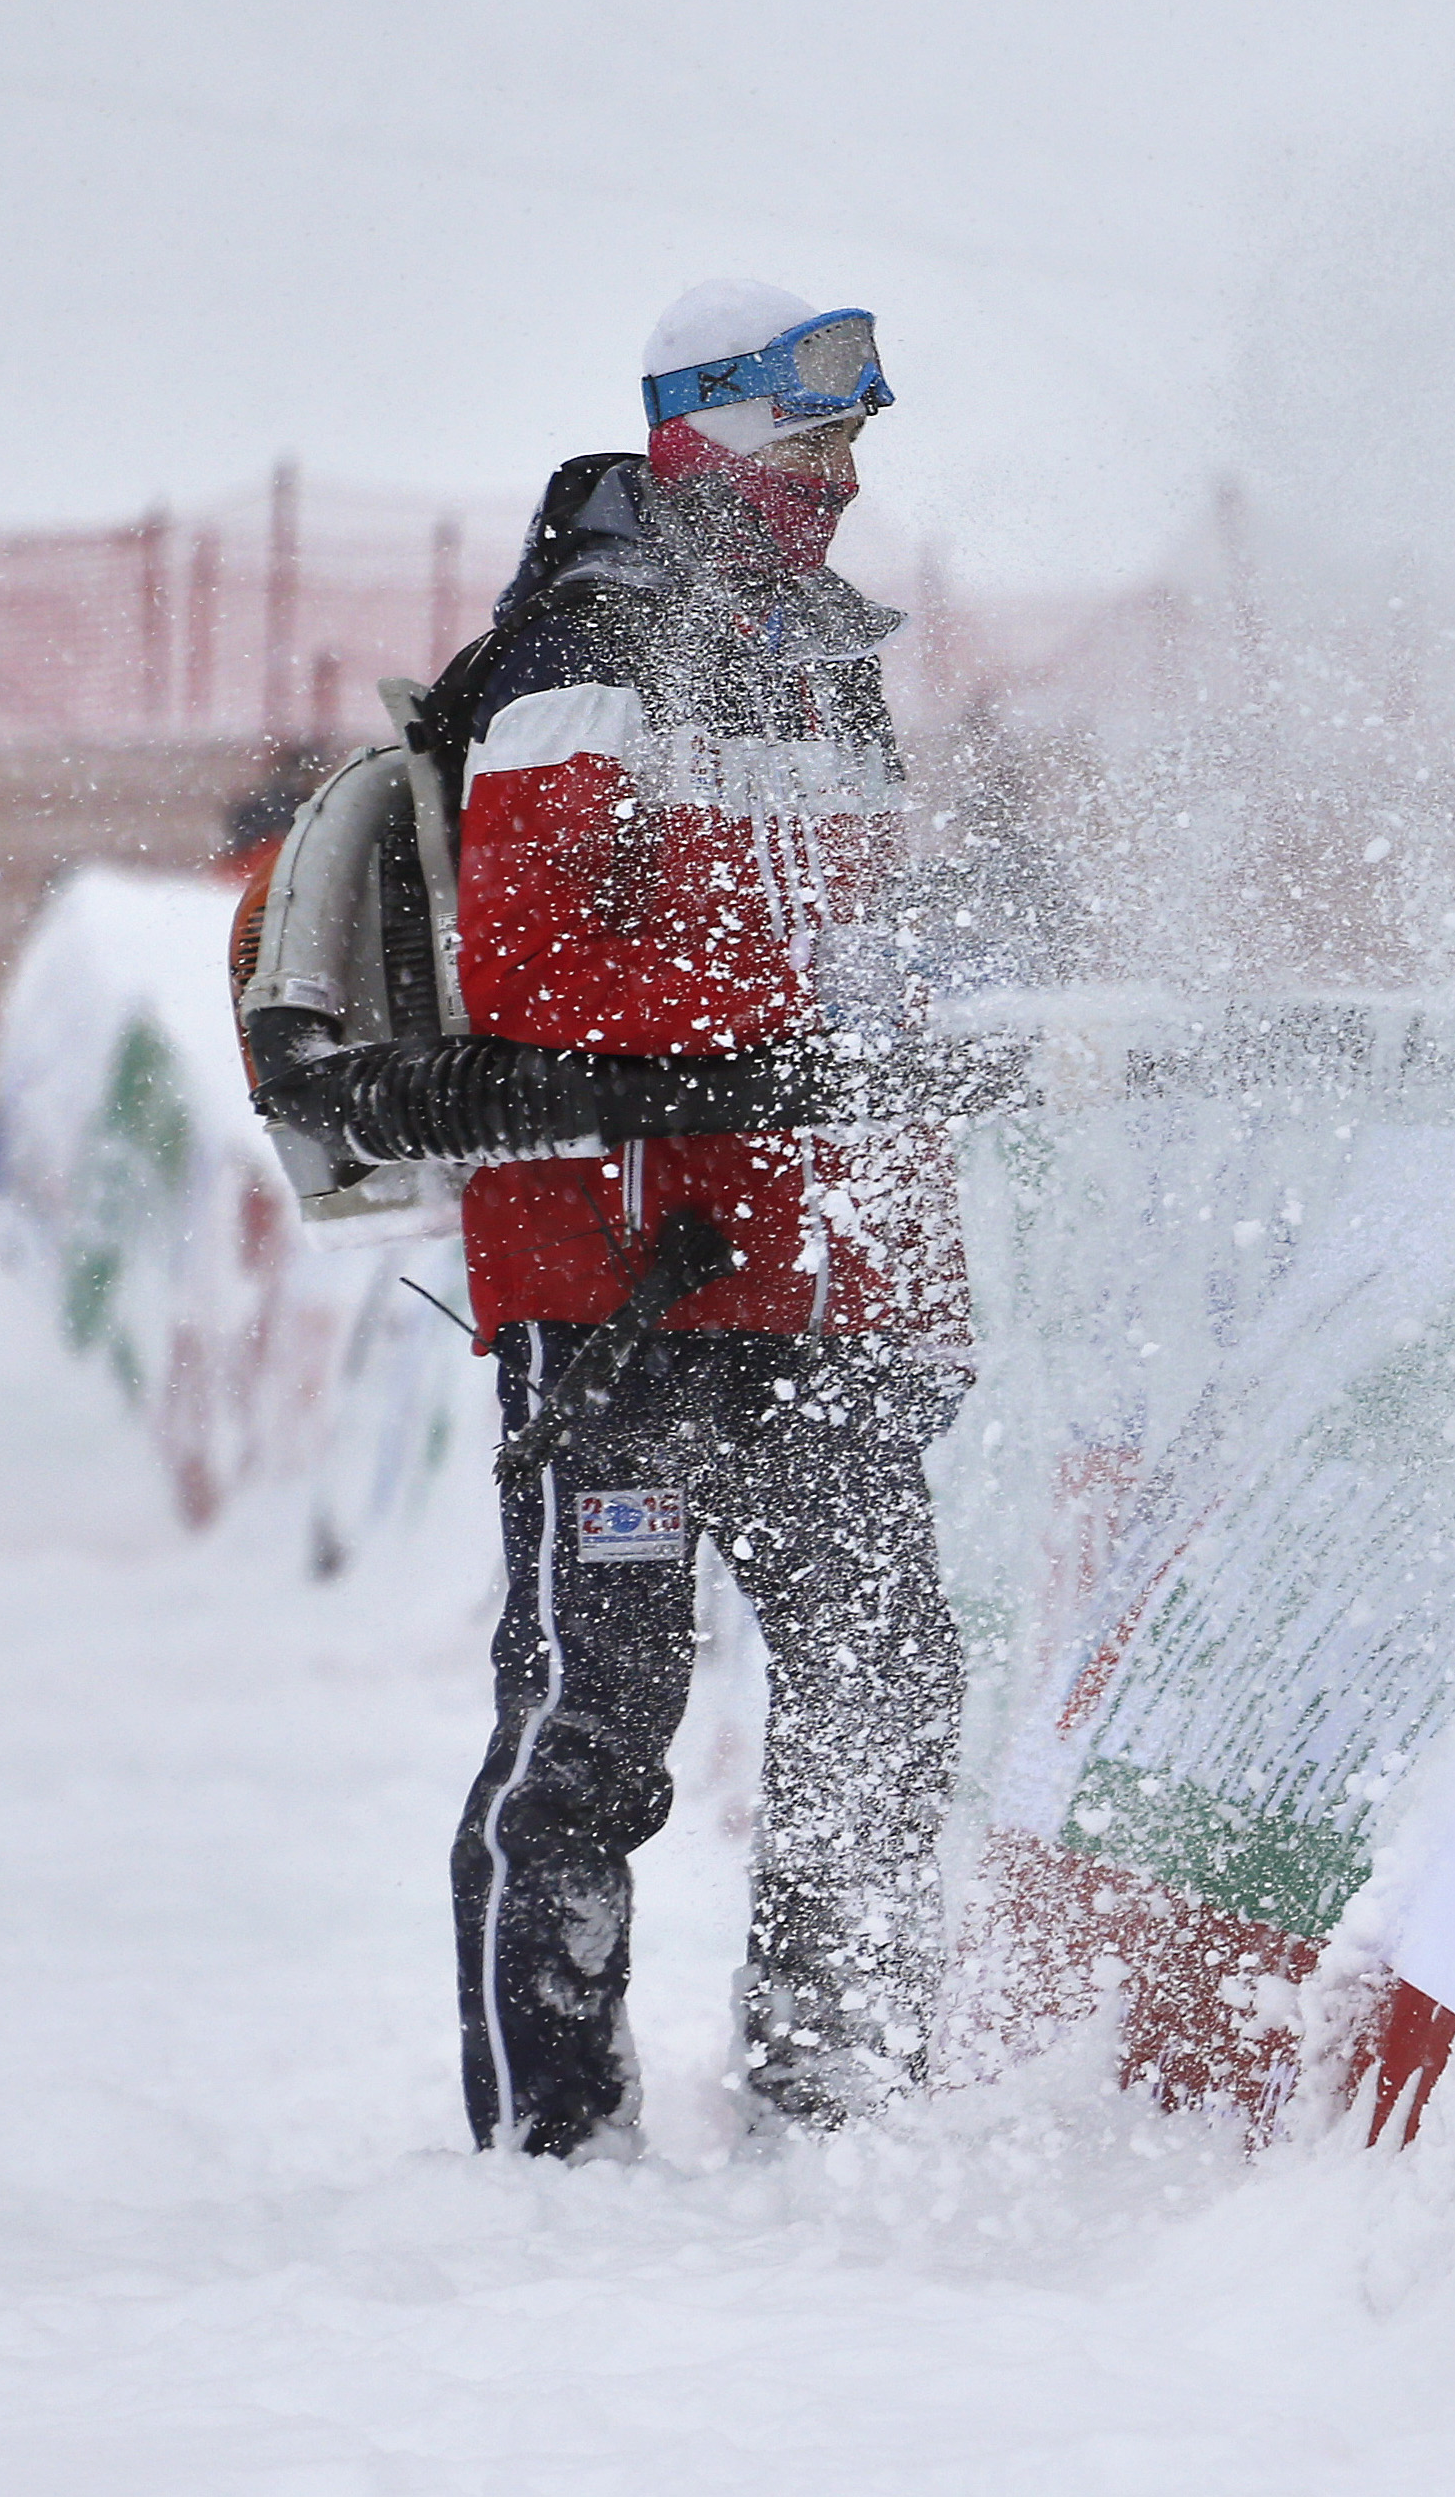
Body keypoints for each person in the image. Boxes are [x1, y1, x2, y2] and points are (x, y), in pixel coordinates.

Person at [443, 280, 971, 2158]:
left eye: (857, 439)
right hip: (616, 1289)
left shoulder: (826, 657)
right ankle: (552, 2152)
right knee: (600, 1726)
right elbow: (525, 964)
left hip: (820, 1288)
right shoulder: (583, 647)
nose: (843, 473)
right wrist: (782, 1018)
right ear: (714, 436)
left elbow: (859, 951)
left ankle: (827, 2102)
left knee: (886, 1691)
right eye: (813, 436)